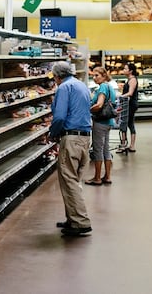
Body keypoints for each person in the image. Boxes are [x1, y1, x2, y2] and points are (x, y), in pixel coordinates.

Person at [48, 61, 93, 236]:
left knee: (69, 180)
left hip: (71, 138)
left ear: (57, 76)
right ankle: (72, 218)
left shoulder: (63, 88)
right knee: (74, 180)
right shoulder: (81, 85)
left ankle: (80, 222)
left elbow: (59, 116)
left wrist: (53, 133)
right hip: (84, 138)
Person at [86, 67, 116, 185]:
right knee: (106, 150)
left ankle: (97, 178)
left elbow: (99, 105)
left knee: (98, 150)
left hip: (100, 122)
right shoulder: (110, 86)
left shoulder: (103, 87)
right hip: (108, 122)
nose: (94, 77)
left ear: (104, 76)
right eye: (93, 75)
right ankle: (107, 176)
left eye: (97, 75)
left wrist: (87, 110)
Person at [117, 63, 139, 153]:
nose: (124, 70)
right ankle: (128, 145)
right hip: (128, 104)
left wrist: (119, 96)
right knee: (128, 123)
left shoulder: (132, 80)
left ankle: (125, 145)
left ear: (131, 71)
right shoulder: (129, 79)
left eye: (125, 69)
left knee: (125, 123)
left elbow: (130, 93)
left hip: (130, 105)